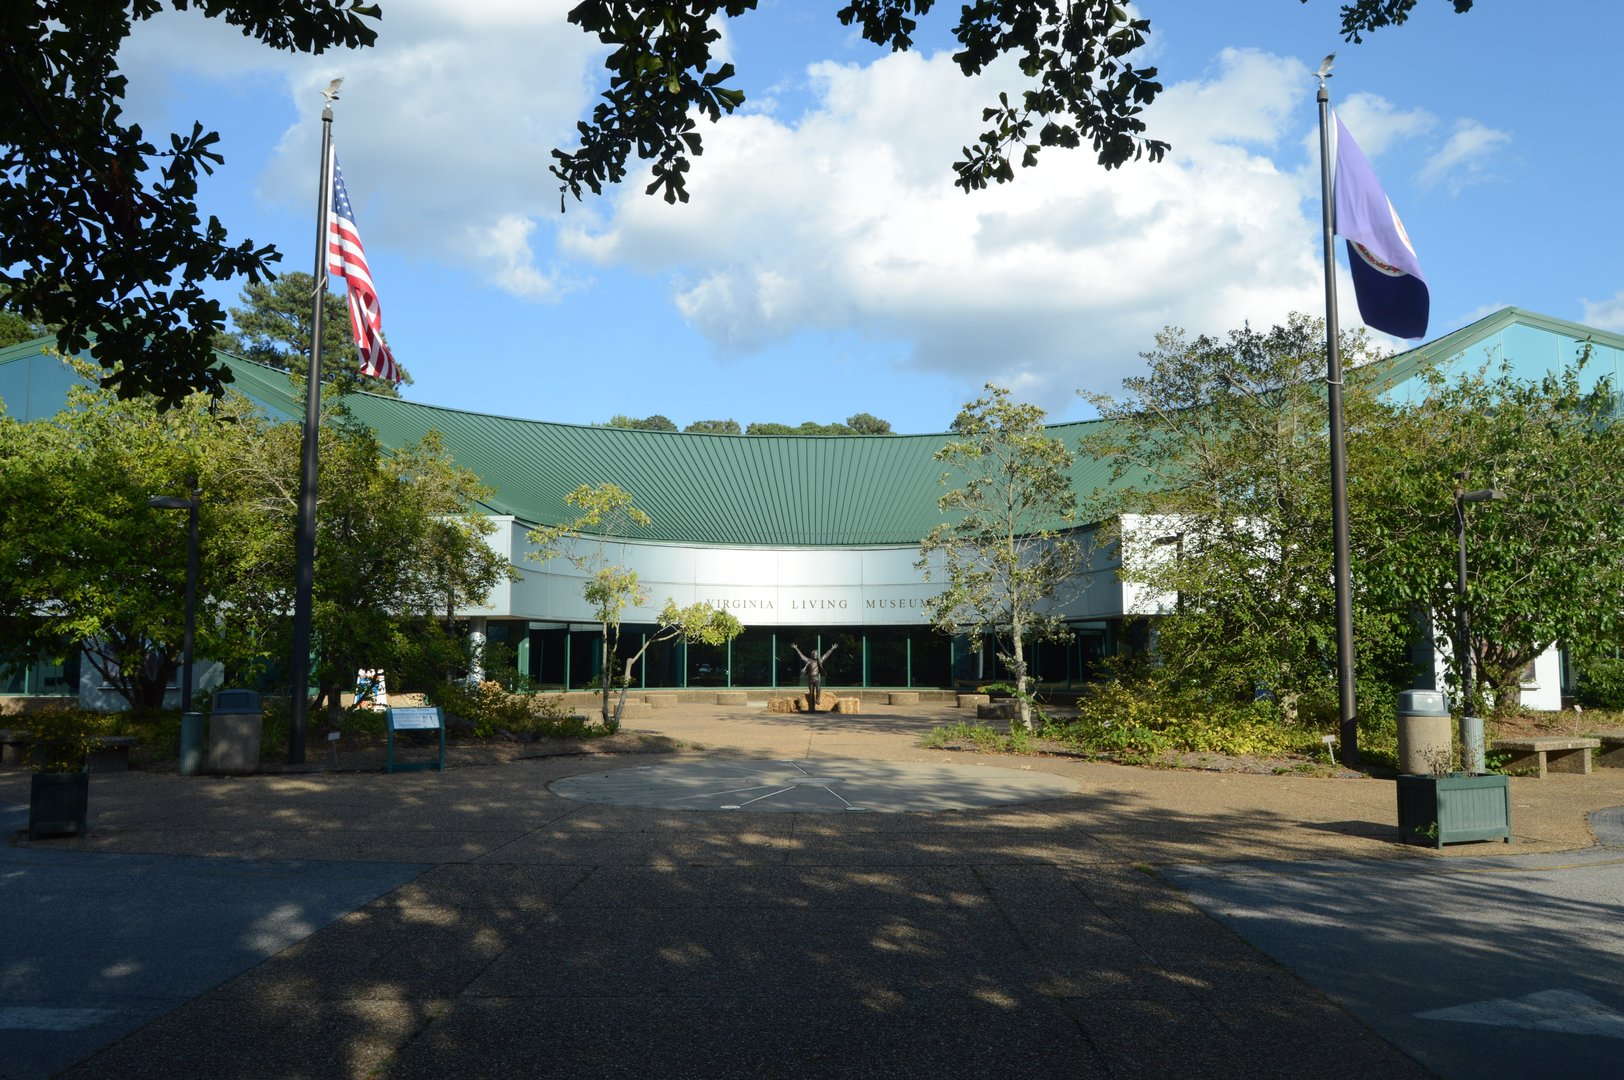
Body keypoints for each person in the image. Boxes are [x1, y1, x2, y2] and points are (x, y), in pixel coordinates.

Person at [791, 642, 838, 711]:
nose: (816, 655)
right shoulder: (808, 661)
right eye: (815, 654)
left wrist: (832, 649)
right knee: (811, 693)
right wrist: (796, 648)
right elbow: (801, 656)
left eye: (817, 654)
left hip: (816, 678)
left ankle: (818, 699)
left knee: (818, 688)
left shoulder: (820, 660)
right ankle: (812, 707)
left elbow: (826, 655)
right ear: (812, 655)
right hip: (810, 679)